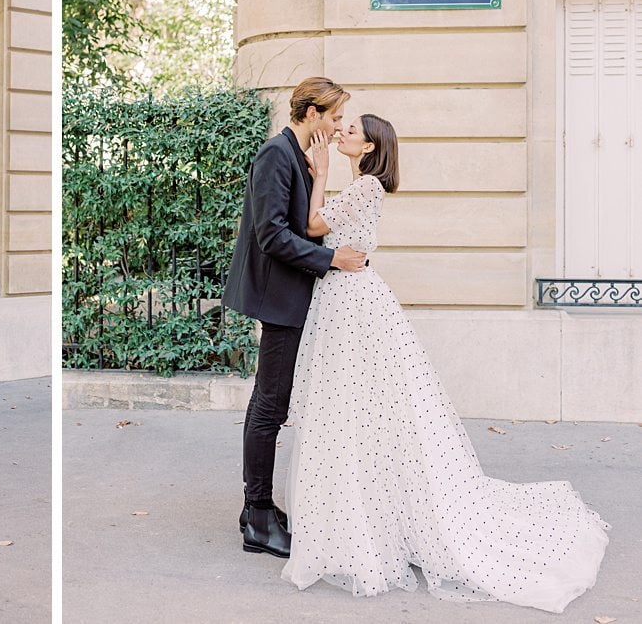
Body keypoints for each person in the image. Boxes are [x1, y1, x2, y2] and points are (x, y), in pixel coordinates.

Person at [282, 114, 609, 612]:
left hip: (353, 305)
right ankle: (366, 510)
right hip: (343, 300)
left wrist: (319, 172)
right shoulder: (362, 184)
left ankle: (372, 517)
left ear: (369, 146)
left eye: (350, 131)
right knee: (359, 412)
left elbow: (312, 226)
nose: (341, 133)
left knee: (363, 408)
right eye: (340, 128)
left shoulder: (367, 187)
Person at [222, 78, 367, 557]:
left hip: (292, 296)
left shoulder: (299, 156)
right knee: (269, 407)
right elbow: (271, 235)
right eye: (333, 115)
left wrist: (321, 173)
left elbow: (305, 221)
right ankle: (258, 518)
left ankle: (256, 507)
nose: (338, 123)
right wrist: (332, 261)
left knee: (271, 404)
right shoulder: (276, 154)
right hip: (278, 299)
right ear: (310, 113)